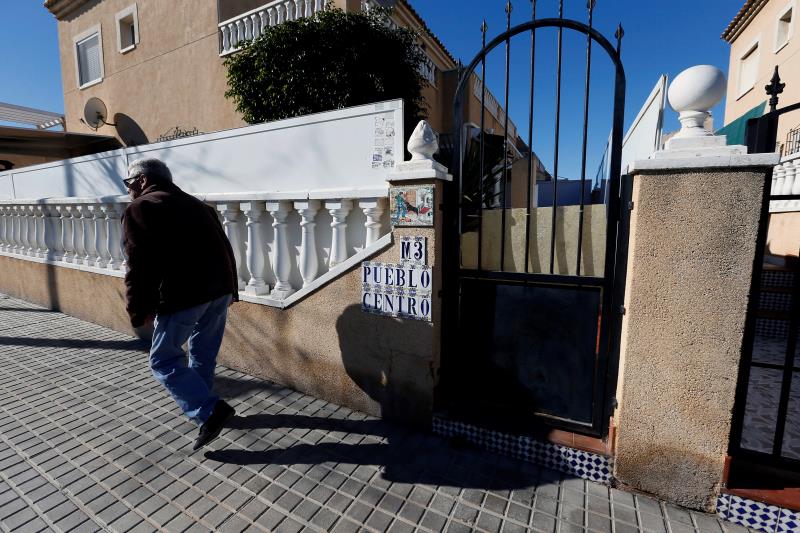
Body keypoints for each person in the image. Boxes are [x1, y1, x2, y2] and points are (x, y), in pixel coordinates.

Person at [122, 158, 239, 451]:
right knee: (203, 352)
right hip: (220, 290)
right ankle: (204, 409)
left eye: (129, 184)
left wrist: (138, 309)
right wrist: (231, 290)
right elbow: (225, 248)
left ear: (142, 181)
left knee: (163, 360)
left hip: (185, 295)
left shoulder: (142, 207)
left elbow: (139, 265)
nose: (128, 191)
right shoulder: (200, 206)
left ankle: (209, 410)